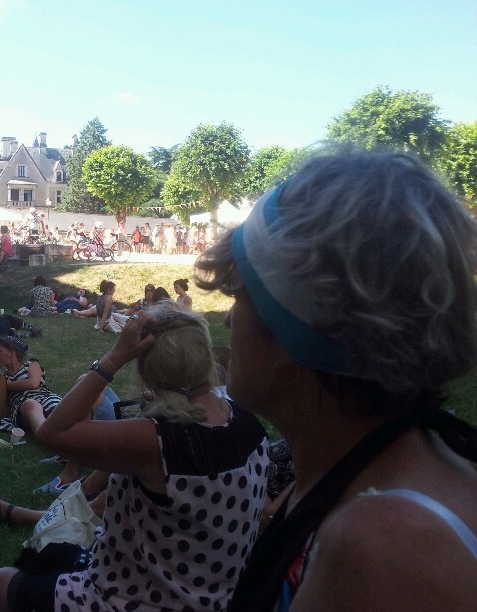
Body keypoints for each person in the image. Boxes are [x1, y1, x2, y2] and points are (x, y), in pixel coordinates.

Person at [193, 150, 477, 611]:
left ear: (292, 335)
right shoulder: (383, 466)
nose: (227, 319)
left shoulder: (383, 547)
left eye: (241, 296)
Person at [0, 303, 270, 610]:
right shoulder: (247, 424)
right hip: (208, 595)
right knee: (34, 567)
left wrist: (113, 358)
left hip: (135, 600)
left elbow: (54, 432)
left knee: (5, 582)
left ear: (149, 371)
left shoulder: (159, 442)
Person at [0, 335, 60, 431]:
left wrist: (4, 386)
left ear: (12, 352)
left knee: (61, 405)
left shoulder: (31, 364)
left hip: (46, 399)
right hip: (23, 408)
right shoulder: (1, 376)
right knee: (31, 405)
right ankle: (45, 435)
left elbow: (33, 383)